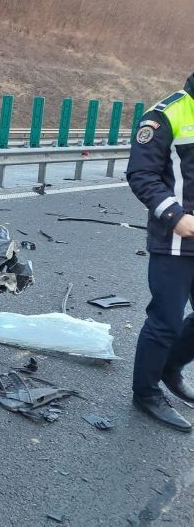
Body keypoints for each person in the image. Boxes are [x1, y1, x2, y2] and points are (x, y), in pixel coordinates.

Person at [127, 72, 194, 431]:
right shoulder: (165, 115)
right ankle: (146, 393)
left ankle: (170, 367)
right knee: (165, 320)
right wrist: (175, 216)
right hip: (175, 239)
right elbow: (141, 174)